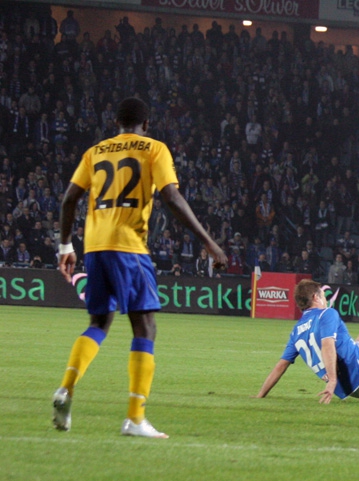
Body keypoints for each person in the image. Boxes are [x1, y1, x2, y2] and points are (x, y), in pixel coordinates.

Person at [52, 98, 228, 438]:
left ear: (116, 122)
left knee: (99, 322)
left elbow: (68, 199)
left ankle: (66, 388)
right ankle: (134, 417)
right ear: (145, 124)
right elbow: (172, 197)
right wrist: (208, 240)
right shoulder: (154, 149)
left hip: (96, 247)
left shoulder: (95, 152)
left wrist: (65, 246)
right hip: (129, 246)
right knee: (145, 327)